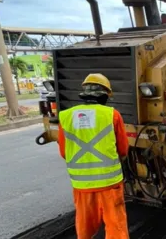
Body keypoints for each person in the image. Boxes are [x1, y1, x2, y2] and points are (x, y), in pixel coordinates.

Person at [57, 73, 130, 239]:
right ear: (104, 96)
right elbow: (123, 149)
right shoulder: (112, 114)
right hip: (110, 184)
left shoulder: (66, 116)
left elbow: (63, 152)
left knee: (84, 225)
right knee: (115, 225)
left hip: (82, 186)